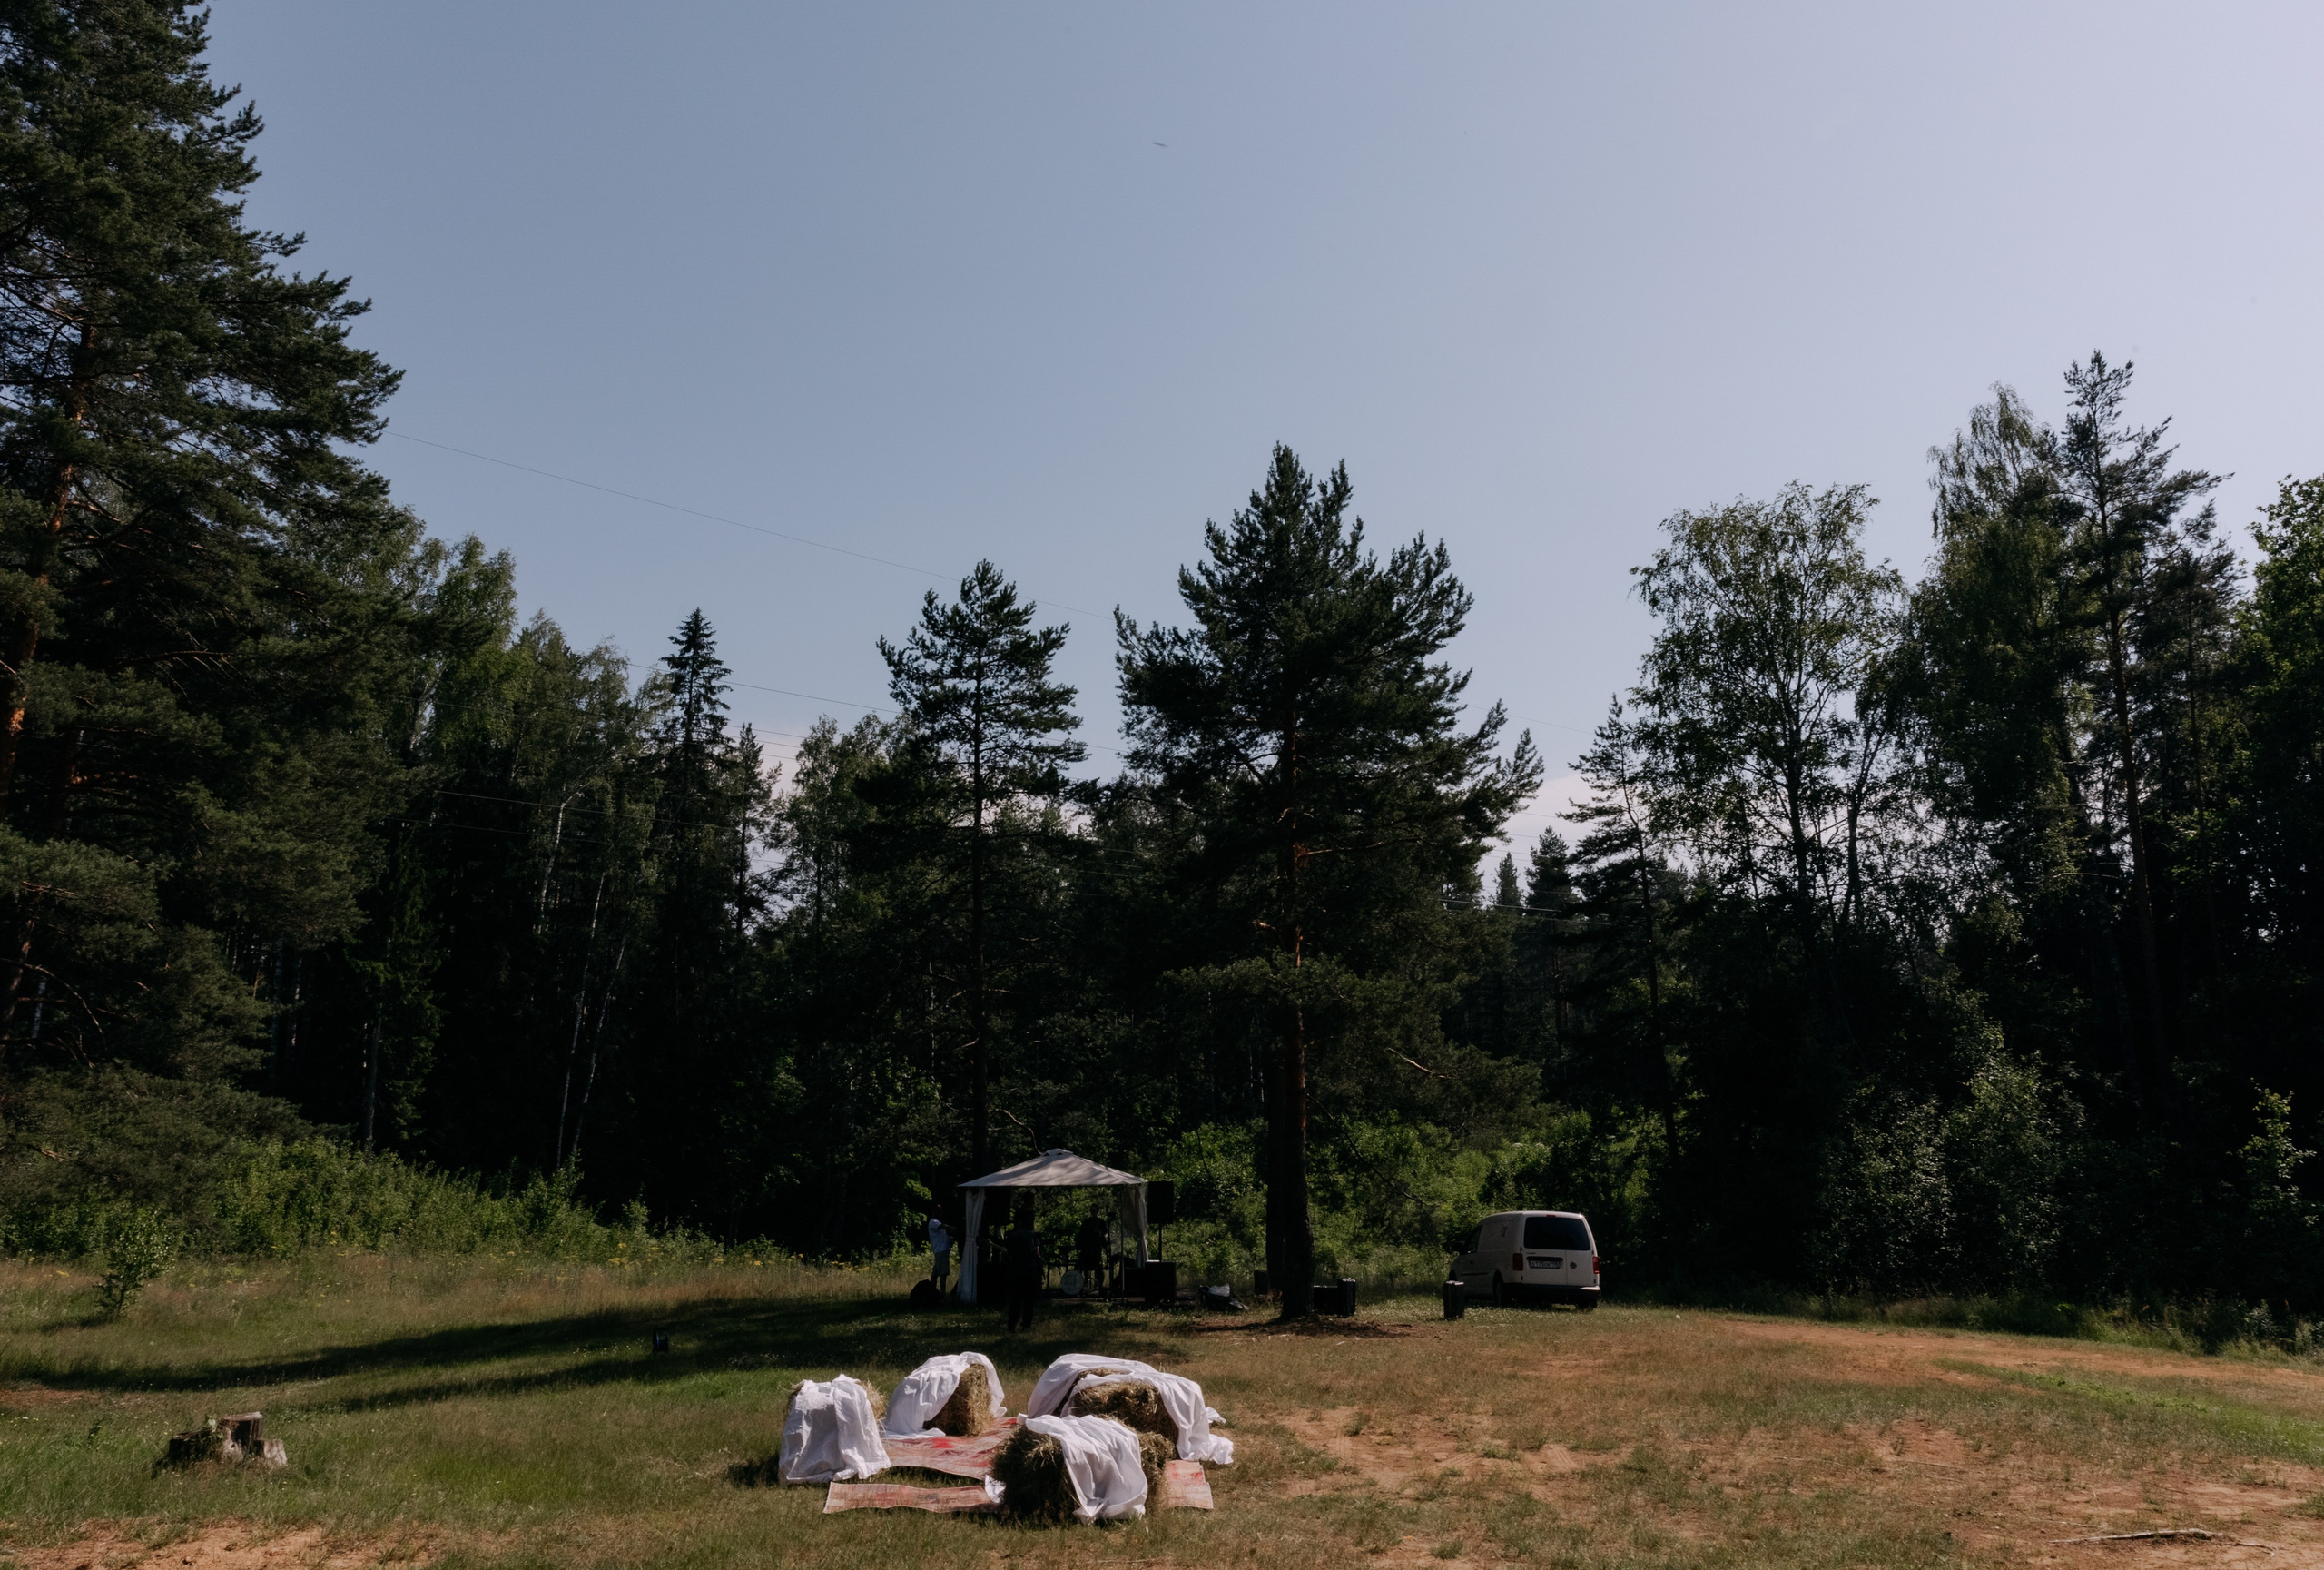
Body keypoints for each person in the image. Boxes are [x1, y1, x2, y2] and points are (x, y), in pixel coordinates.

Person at [1004, 1209, 1044, 1331]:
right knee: (1028, 1301)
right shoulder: (1032, 1235)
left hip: (1017, 1270)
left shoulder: (1012, 1236)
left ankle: (1012, 1324)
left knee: (1015, 1300)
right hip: (1030, 1270)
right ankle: (1026, 1324)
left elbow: (1008, 1254)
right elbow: (1037, 1254)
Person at [927, 1214, 952, 1296]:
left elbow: (941, 1236)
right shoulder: (934, 1222)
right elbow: (944, 1227)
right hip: (941, 1251)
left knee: (935, 1273)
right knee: (943, 1274)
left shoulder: (936, 1222)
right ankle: (942, 1294)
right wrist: (954, 1229)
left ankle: (932, 1292)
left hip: (940, 1251)